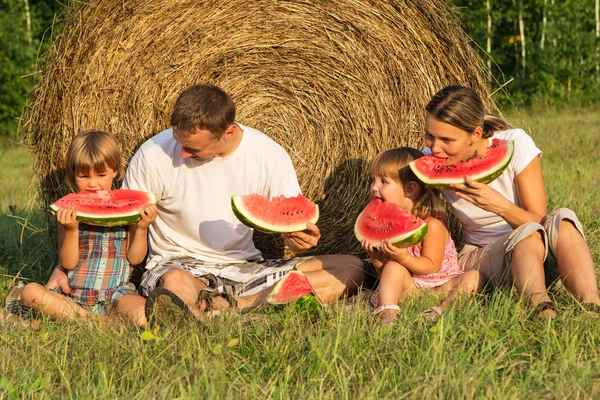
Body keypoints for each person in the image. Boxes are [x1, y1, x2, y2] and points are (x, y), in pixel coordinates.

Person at [48, 84, 365, 323]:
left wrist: (300, 241)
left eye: (194, 149)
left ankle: (230, 309)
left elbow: (294, 229)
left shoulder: (269, 156)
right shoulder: (153, 154)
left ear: (227, 132)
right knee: (173, 283)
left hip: (245, 269)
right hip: (179, 268)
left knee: (351, 268)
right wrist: (61, 268)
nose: (183, 154)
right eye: (180, 142)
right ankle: (253, 309)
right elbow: (111, 221)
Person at [422, 85, 600, 318]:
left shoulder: (515, 143)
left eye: (446, 139)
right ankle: (540, 309)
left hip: (537, 249)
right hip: (481, 256)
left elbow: (538, 218)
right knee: (528, 235)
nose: (435, 148)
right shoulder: (428, 161)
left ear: (475, 134)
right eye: (429, 136)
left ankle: (592, 306)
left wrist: (498, 205)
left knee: (563, 219)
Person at [21, 130, 155, 327]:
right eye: (83, 176)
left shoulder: (127, 211)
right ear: (73, 174)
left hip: (116, 295)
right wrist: (71, 230)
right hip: (74, 294)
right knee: (30, 292)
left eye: (101, 175)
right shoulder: (67, 213)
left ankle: (85, 320)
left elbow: (135, 258)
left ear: (115, 171)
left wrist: (142, 229)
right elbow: (68, 263)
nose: (93, 184)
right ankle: (100, 323)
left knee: (144, 312)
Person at [361, 147, 483, 324]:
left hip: (441, 288)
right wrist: (377, 258)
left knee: (474, 276)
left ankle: (440, 312)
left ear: (410, 189)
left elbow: (431, 266)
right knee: (394, 268)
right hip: (410, 289)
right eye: (373, 180)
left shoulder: (432, 224)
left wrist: (403, 258)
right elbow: (387, 274)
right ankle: (388, 315)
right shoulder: (385, 224)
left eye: (383, 182)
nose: (374, 188)